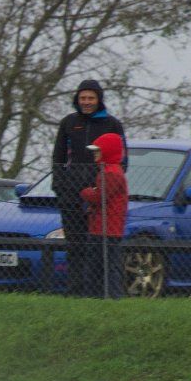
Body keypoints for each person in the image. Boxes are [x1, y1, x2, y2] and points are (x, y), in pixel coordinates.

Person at [52, 79, 127, 297]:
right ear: (77, 99)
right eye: (83, 98)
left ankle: (100, 293)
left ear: (99, 100)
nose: (86, 102)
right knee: (74, 246)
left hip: (99, 199)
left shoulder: (112, 124)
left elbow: (122, 161)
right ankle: (75, 293)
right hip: (72, 196)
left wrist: (103, 188)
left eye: (91, 98)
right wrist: (60, 187)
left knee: (98, 249)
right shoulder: (68, 123)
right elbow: (57, 158)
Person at [80, 133, 129, 300]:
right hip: (103, 226)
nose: (95, 153)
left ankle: (109, 295)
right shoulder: (108, 171)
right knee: (100, 263)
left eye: (98, 150)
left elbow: (99, 197)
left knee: (103, 264)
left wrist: (85, 191)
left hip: (107, 228)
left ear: (108, 151)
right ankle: (102, 295)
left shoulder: (111, 173)